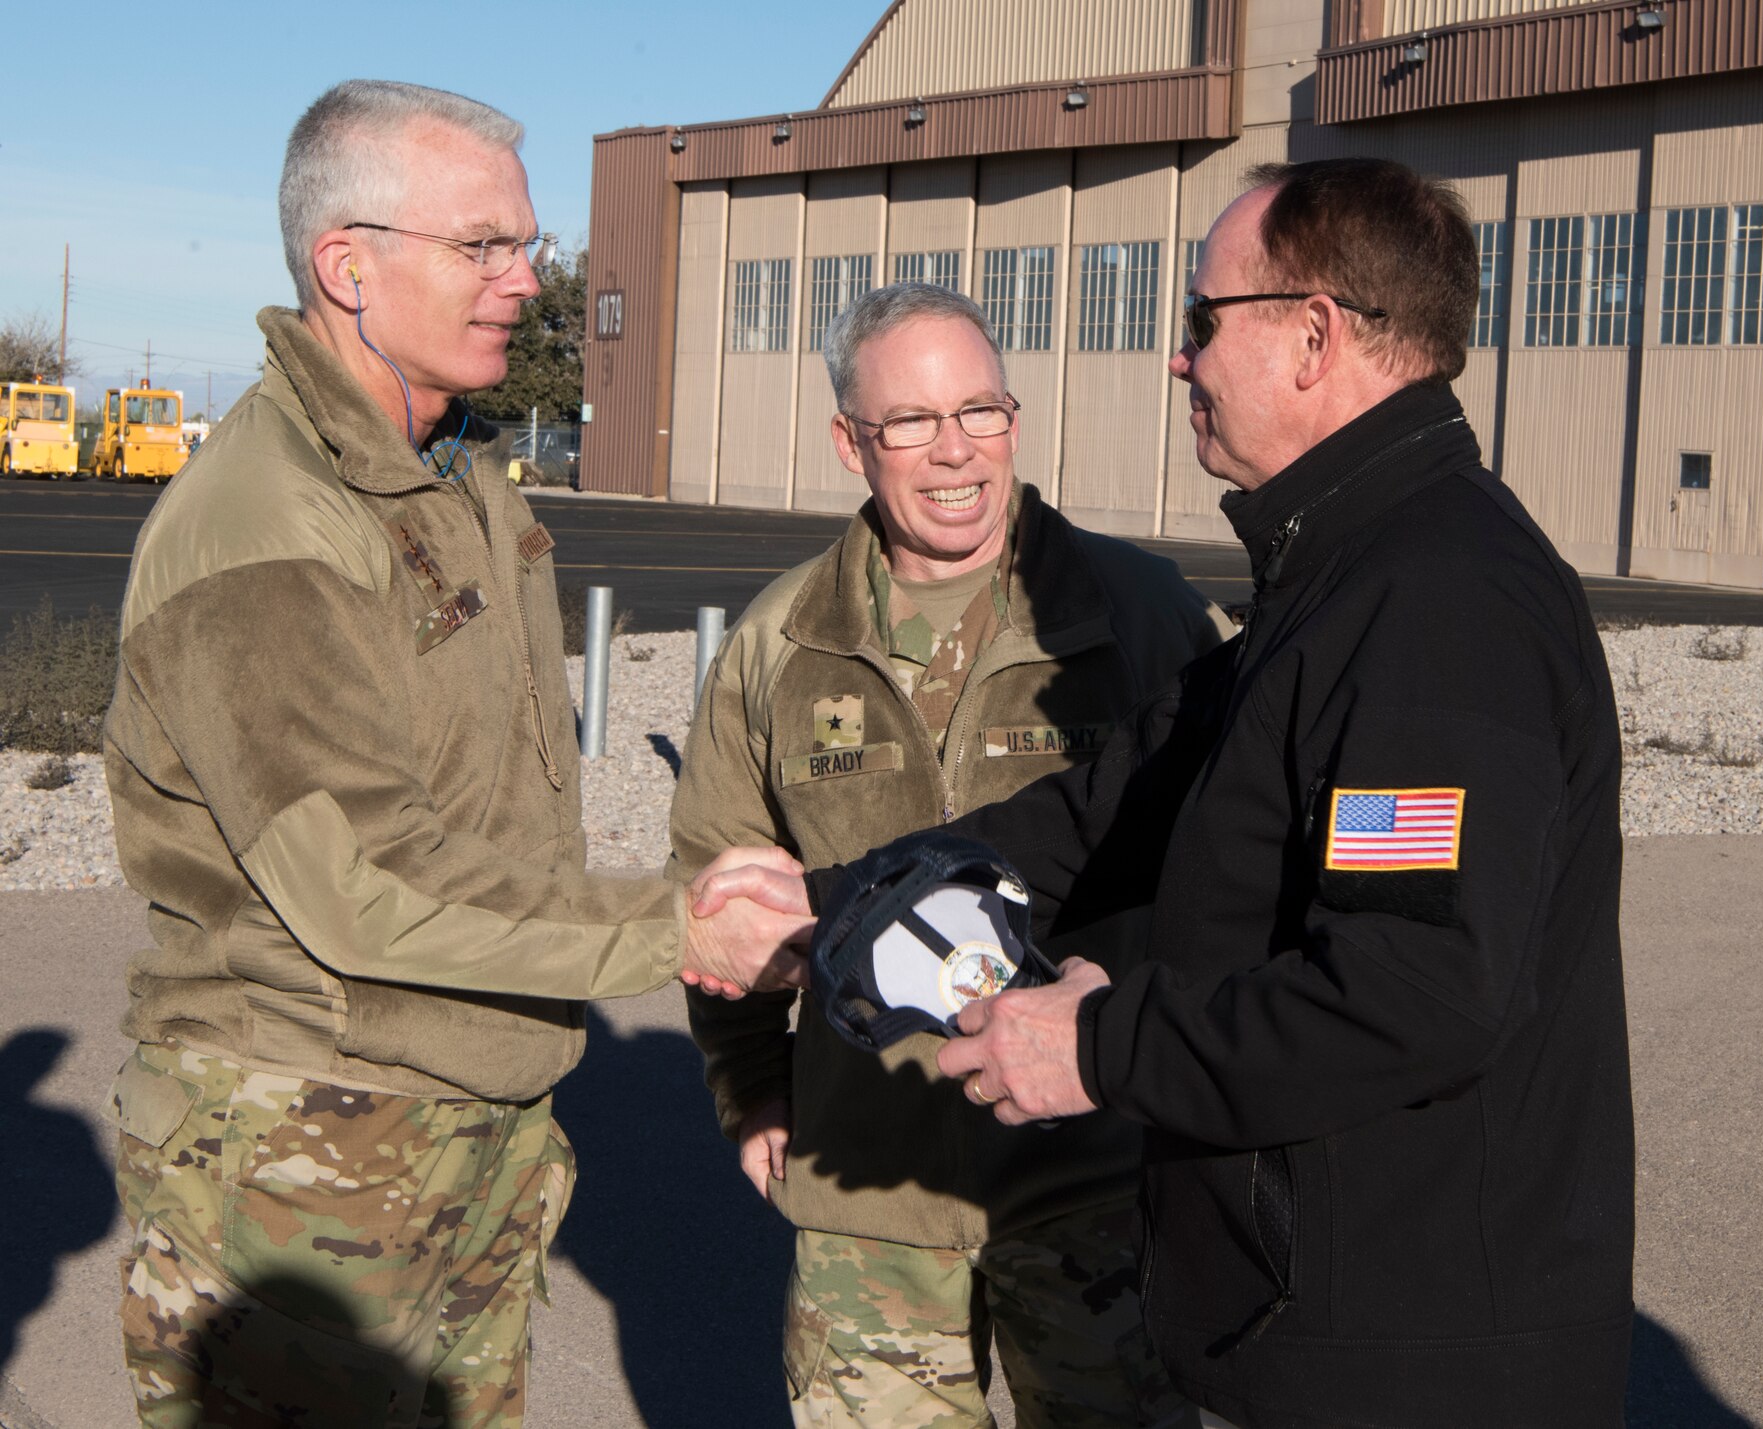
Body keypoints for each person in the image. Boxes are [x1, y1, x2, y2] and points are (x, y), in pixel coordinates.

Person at [704, 159, 1636, 1429]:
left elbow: (1412, 988)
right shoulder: (1336, 577)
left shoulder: (1434, 603)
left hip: (1411, 1356)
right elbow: (1115, 801)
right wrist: (832, 901)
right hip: (1326, 1326)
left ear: (1312, 336)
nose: (1177, 357)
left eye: (1202, 317)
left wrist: (1094, 1047)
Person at [100, 80, 804, 1429]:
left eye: (524, 245)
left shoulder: (455, 469)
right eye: (483, 246)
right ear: (347, 268)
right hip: (310, 1149)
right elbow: (366, 877)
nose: (525, 281)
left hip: (468, 1118)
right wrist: (678, 929)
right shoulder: (268, 524)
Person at [674, 281, 1232, 1427]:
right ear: (850, 442)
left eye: (979, 410)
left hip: (1096, 1182)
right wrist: (752, 1087)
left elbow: (1229, 867)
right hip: (867, 1195)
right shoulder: (780, 643)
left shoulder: (1138, 616)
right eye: (912, 421)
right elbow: (723, 890)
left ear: (1012, 420)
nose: (954, 451)